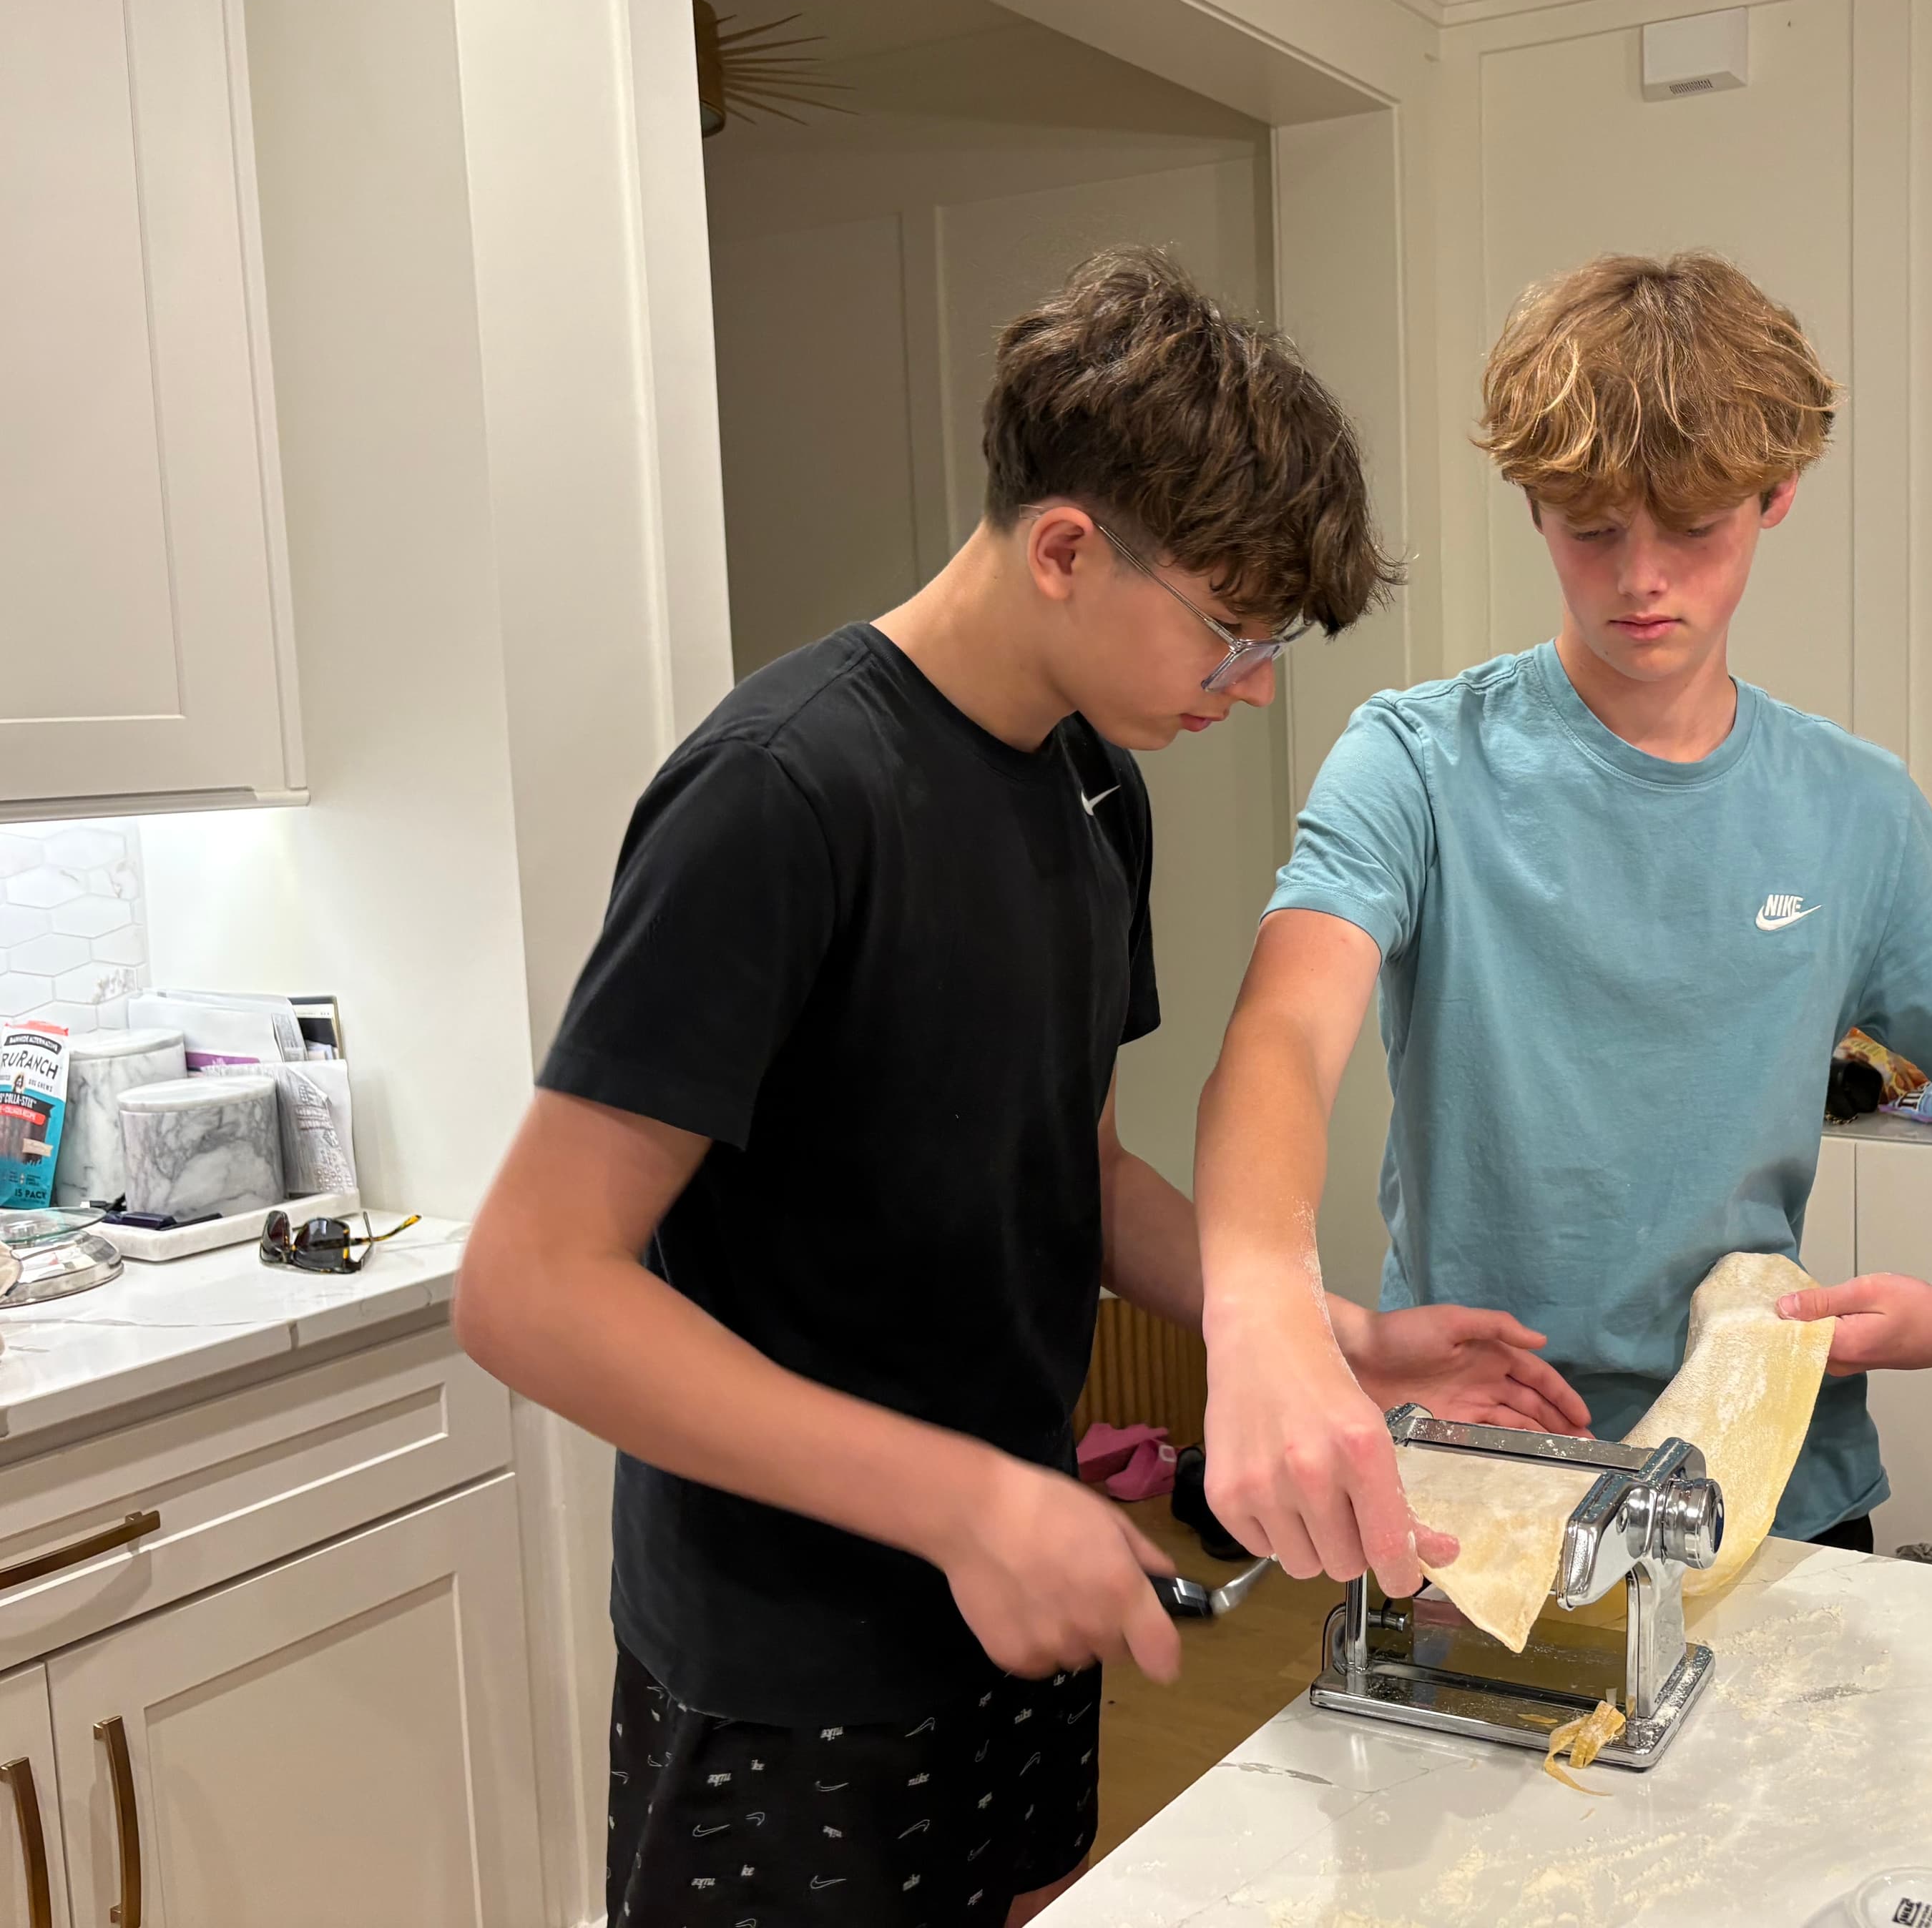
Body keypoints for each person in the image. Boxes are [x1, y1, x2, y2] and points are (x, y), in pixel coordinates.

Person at [453, 250, 1584, 1928]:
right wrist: (974, 1502)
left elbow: (1074, 1169)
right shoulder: (781, 798)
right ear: (1064, 548)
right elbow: (530, 1288)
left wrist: (1314, 1330)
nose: (1256, 683)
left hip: (1021, 1604)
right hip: (790, 1660)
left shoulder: (1094, 793)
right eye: (1233, 631)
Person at [1190, 250, 1932, 1602]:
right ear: (1534, 503)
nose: (1640, 579)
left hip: (1768, 1486)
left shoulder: (1853, 808)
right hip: (1487, 1467)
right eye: (1591, 526)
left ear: (1777, 497)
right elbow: (1281, 1037)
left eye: (1695, 530)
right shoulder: (1420, 762)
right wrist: (1263, 1313)